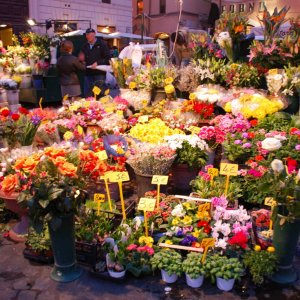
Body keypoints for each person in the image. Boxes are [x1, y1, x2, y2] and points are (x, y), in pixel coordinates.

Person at [79, 28, 111, 97]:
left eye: (90, 34)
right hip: (88, 73)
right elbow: (82, 56)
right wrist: (82, 60)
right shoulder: (85, 46)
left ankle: (101, 106)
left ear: (94, 34)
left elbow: (108, 58)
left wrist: (97, 63)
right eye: (87, 35)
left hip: (99, 74)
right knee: (88, 93)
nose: (88, 36)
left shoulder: (102, 44)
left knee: (100, 93)